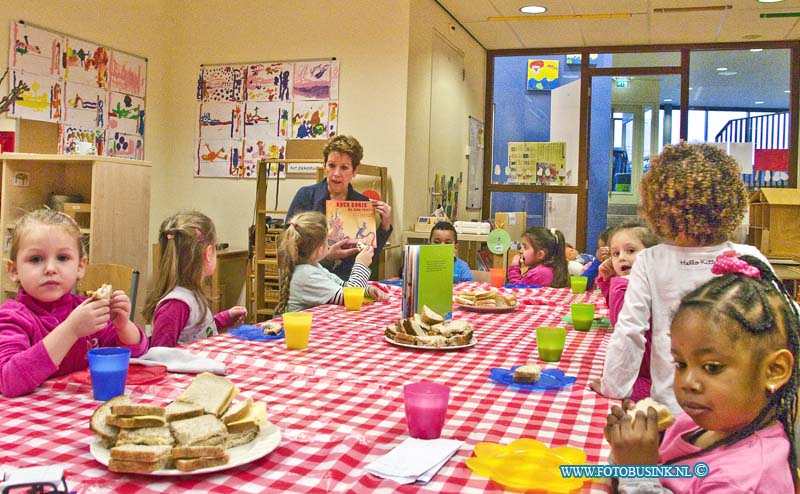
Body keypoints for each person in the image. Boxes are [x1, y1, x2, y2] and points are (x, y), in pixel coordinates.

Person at [593, 142, 770, 414]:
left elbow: (629, 331)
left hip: (674, 405)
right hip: (740, 407)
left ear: (657, 206)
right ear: (729, 201)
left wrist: (613, 387)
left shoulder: (652, 260)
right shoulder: (749, 256)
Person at [604, 253, 798, 493]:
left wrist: (638, 473)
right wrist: (626, 451)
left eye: (712, 367)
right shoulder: (690, 427)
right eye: (680, 364)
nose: (687, 383)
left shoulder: (744, 479)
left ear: (774, 370)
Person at [0, 209, 147, 397]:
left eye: (62, 258)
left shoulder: (87, 310)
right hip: (28, 421)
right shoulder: (12, 317)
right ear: (13, 270)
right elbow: (9, 381)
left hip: (80, 415)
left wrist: (123, 326)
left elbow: (136, 355)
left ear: (80, 267)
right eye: (36, 259)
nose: (51, 269)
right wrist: (71, 330)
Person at [286, 135, 392, 280]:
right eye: (331, 165)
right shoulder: (306, 196)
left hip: (348, 284)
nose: (336, 174)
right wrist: (326, 256)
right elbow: (288, 248)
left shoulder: (362, 203)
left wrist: (385, 225)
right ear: (324, 166)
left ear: (355, 171)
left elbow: (369, 254)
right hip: (312, 283)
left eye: (344, 168)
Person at [143, 211, 247, 347]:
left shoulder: (191, 294)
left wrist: (225, 318)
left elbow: (198, 332)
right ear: (208, 253)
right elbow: (159, 355)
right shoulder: (176, 305)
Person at [276, 211, 390, 313]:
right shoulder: (306, 274)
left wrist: (367, 290)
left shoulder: (313, 266)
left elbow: (341, 287)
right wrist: (361, 264)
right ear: (320, 248)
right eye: (327, 239)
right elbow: (348, 298)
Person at [595, 221, 659, 401]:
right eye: (615, 254)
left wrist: (618, 284)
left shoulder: (643, 286)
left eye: (630, 251)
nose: (621, 258)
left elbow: (623, 326)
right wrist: (608, 281)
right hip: (643, 368)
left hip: (652, 379)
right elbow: (617, 315)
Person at [581, 226, 613, 291]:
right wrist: (597, 263)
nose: (601, 252)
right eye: (599, 248)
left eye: (605, 249)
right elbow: (582, 286)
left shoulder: (620, 269)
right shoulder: (591, 265)